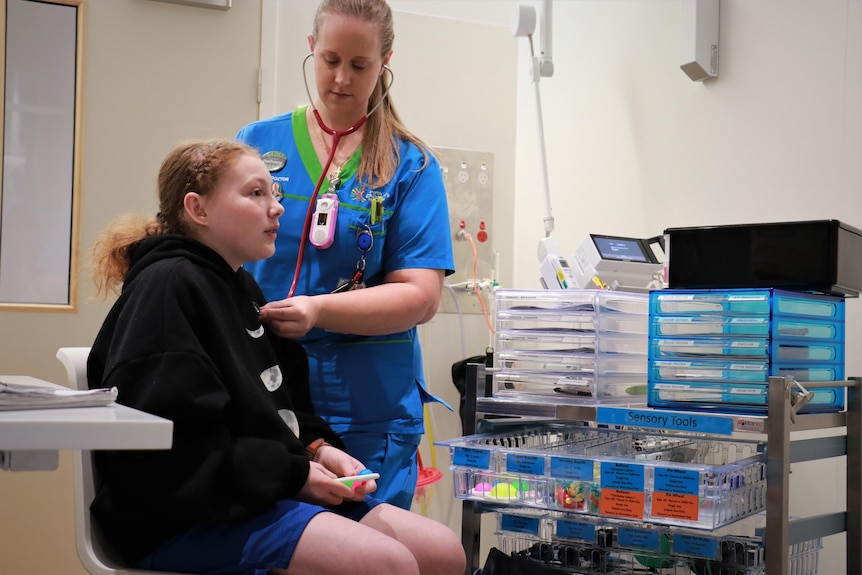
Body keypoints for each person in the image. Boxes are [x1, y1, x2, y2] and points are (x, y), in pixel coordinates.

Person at [86, 139, 466, 575]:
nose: (277, 208)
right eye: (256, 194)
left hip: (252, 491)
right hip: (181, 515)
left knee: (443, 553)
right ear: (198, 209)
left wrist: (318, 450)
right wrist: (294, 476)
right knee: (389, 564)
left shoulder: (238, 288)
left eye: (275, 193)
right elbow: (179, 450)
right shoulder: (168, 288)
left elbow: (272, 409)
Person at [235, 0, 455, 510]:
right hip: (267, 387)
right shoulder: (255, 145)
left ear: (385, 63)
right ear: (311, 48)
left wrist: (319, 310)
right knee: (282, 548)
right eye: (330, 60)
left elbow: (420, 297)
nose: (341, 78)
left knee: (370, 550)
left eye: (360, 65)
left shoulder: (411, 165)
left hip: (368, 402)